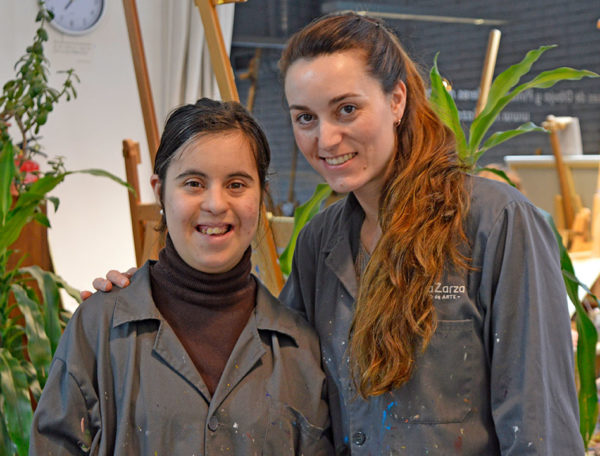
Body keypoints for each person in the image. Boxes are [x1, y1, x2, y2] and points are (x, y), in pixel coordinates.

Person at [89, 13, 583, 455]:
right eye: (305, 117)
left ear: (396, 99)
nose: (325, 139)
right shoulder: (320, 243)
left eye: (346, 109)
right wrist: (151, 295)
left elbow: (541, 428)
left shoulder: (494, 223)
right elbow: (273, 365)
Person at [30, 98, 332, 455]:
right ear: (160, 191)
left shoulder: (298, 347)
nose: (216, 204)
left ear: (261, 195)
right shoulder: (98, 328)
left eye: (236, 184)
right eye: (193, 183)